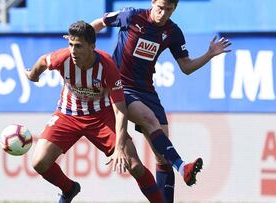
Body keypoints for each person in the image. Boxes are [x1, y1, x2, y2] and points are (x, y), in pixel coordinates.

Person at [91, 0, 232, 202]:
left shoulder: (173, 32)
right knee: (150, 119)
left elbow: (186, 66)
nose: (163, 13)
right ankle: (183, 167)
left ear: (174, 8)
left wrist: (209, 54)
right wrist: (83, 41)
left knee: (163, 157)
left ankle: (177, 173)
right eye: (160, 7)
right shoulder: (131, 16)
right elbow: (100, 23)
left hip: (147, 91)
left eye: (169, 9)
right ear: (153, 2)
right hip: (119, 86)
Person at [25, 20, 165, 203]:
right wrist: (33, 75)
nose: (73, 51)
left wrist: (120, 147)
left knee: (135, 166)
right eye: (71, 45)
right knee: (39, 162)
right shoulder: (63, 58)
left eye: (79, 46)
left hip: (101, 117)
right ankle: (69, 189)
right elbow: (44, 61)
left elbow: (121, 111)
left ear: (92, 47)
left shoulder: (107, 66)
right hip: (68, 113)